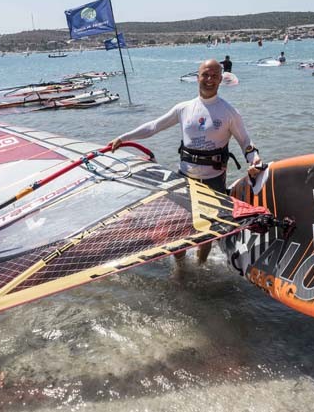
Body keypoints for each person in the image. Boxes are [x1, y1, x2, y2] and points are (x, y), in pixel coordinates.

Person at [109, 59, 262, 264]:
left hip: (213, 180)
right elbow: (154, 126)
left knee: (206, 231)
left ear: (221, 79)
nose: (209, 79)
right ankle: (180, 266)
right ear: (197, 77)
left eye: (214, 76)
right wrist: (124, 138)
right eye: (205, 75)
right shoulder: (184, 108)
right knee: (177, 228)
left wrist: (254, 160)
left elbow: (245, 141)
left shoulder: (228, 112)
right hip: (185, 178)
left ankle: (200, 265)